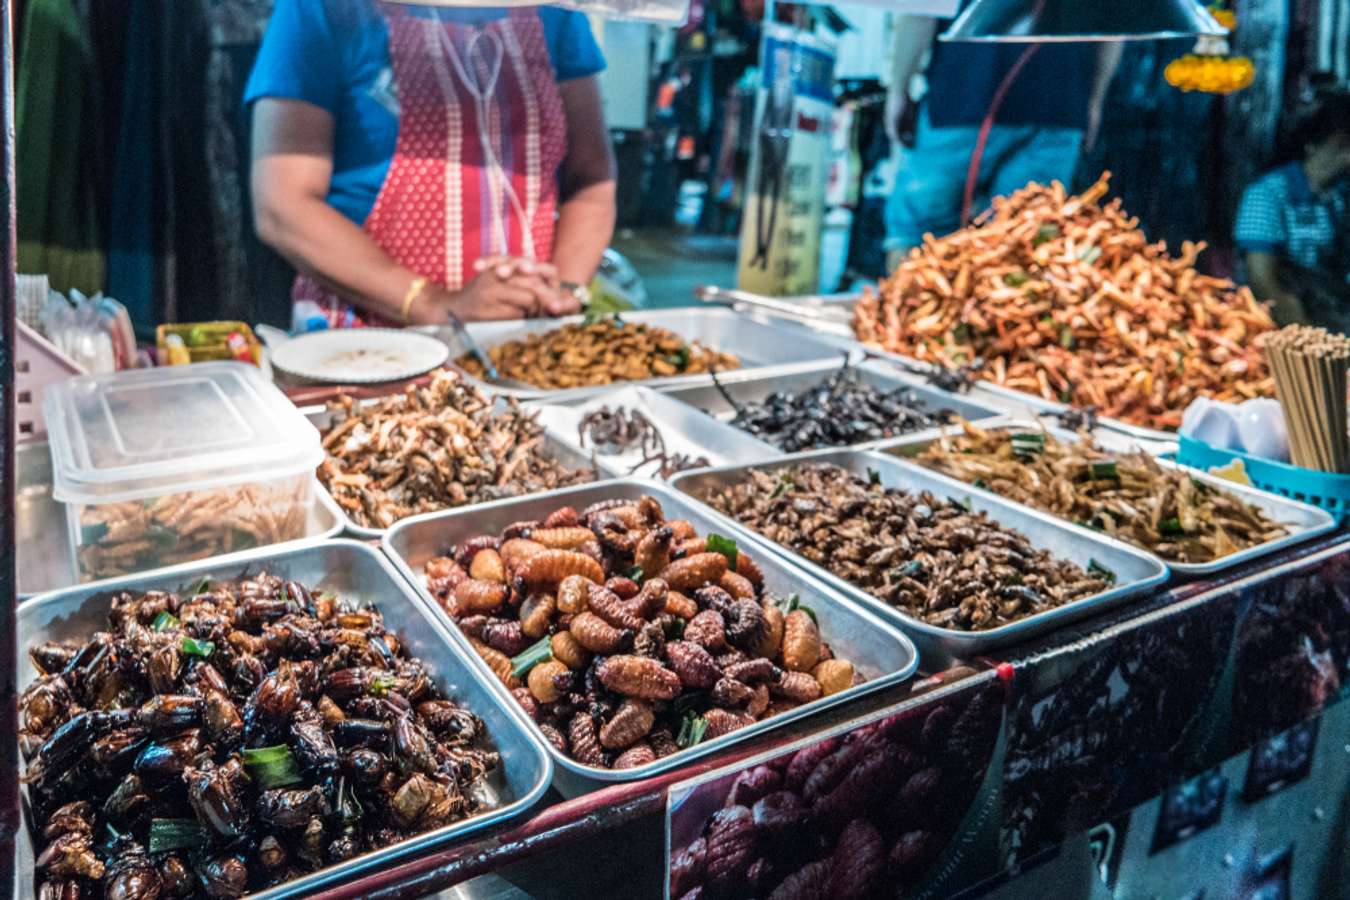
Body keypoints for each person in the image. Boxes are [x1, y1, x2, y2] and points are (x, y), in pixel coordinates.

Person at [246, 0, 617, 327]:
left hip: (520, 337)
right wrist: (432, 304)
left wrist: (564, 293)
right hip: (367, 342)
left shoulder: (557, 12)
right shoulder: (325, 9)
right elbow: (284, 205)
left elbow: (592, 179)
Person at [882, 9, 1120, 263]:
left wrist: (898, 88)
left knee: (919, 241)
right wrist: (1093, 100)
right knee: (1024, 243)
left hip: (961, 97)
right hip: (1058, 105)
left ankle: (908, 300)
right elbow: (1115, 22)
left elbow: (921, 11)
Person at [1234, 91, 1350, 329]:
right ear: (1312, 144)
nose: (1348, 157)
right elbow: (1262, 279)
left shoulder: (1339, 198)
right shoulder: (1266, 195)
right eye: (1341, 146)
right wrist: (1310, 337)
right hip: (1278, 325)